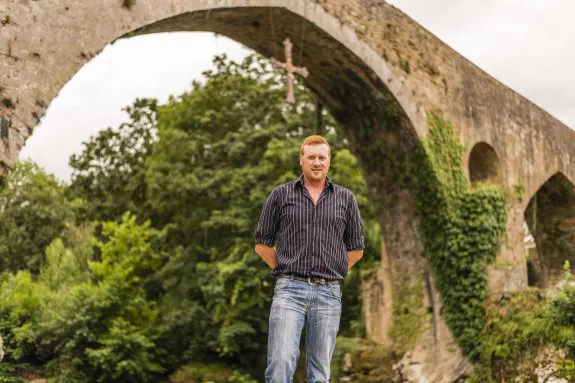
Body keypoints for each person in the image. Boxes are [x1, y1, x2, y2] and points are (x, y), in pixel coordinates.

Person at [255, 135, 365, 382]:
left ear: (329, 162)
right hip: (289, 291)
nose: (317, 162)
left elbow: (357, 249)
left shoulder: (346, 199)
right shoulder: (281, 195)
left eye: (322, 158)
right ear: (301, 160)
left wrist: (333, 269)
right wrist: (284, 268)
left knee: (320, 372)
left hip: (329, 294)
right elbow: (262, 245)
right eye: (311, 157)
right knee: (280, 362)